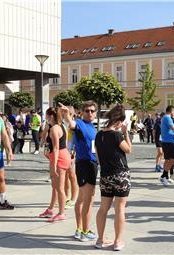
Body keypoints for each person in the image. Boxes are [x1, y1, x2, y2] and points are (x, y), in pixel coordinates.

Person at [95, 105, 131, 251]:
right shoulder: (117, 135)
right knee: (120, 208)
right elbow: (128, 150)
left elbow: (98, 158)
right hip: (120, 174)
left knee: (103, 208)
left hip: (105, 175)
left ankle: (100, 239)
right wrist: (126, 134)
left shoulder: (99, 135)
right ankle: (117, 241)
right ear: (119, 120)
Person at [61, 101, 99, 242]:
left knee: (82, 199)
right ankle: (85, 231)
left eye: (92, 111)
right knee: (88, 200)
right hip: (85, 164)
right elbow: (72, 125)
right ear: (82, 112)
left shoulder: (92, 127)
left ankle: (79, 229)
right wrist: (67, 116)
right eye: (87, 111)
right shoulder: (80, 123)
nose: (90, 113)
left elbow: (94, 148)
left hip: (91, 163)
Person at [38, 107, 72, 222]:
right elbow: (46, 141)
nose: (45, 117)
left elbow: (57, 147)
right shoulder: (61, 126)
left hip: (59, 158)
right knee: (55, 187)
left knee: (59, 188)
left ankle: (61, 213)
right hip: (62, 156)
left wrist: (54, 164)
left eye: (46, 115)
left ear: (50, 116)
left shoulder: (55, 129)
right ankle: (51, 209)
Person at [159, 105, 174, 187]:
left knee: (168, 160)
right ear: (171, 111)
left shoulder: (165, 118)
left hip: (167, 141)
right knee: (173, 160)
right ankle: (164, 176)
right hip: (169, 142)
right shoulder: (167, 118)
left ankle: (165, 176)